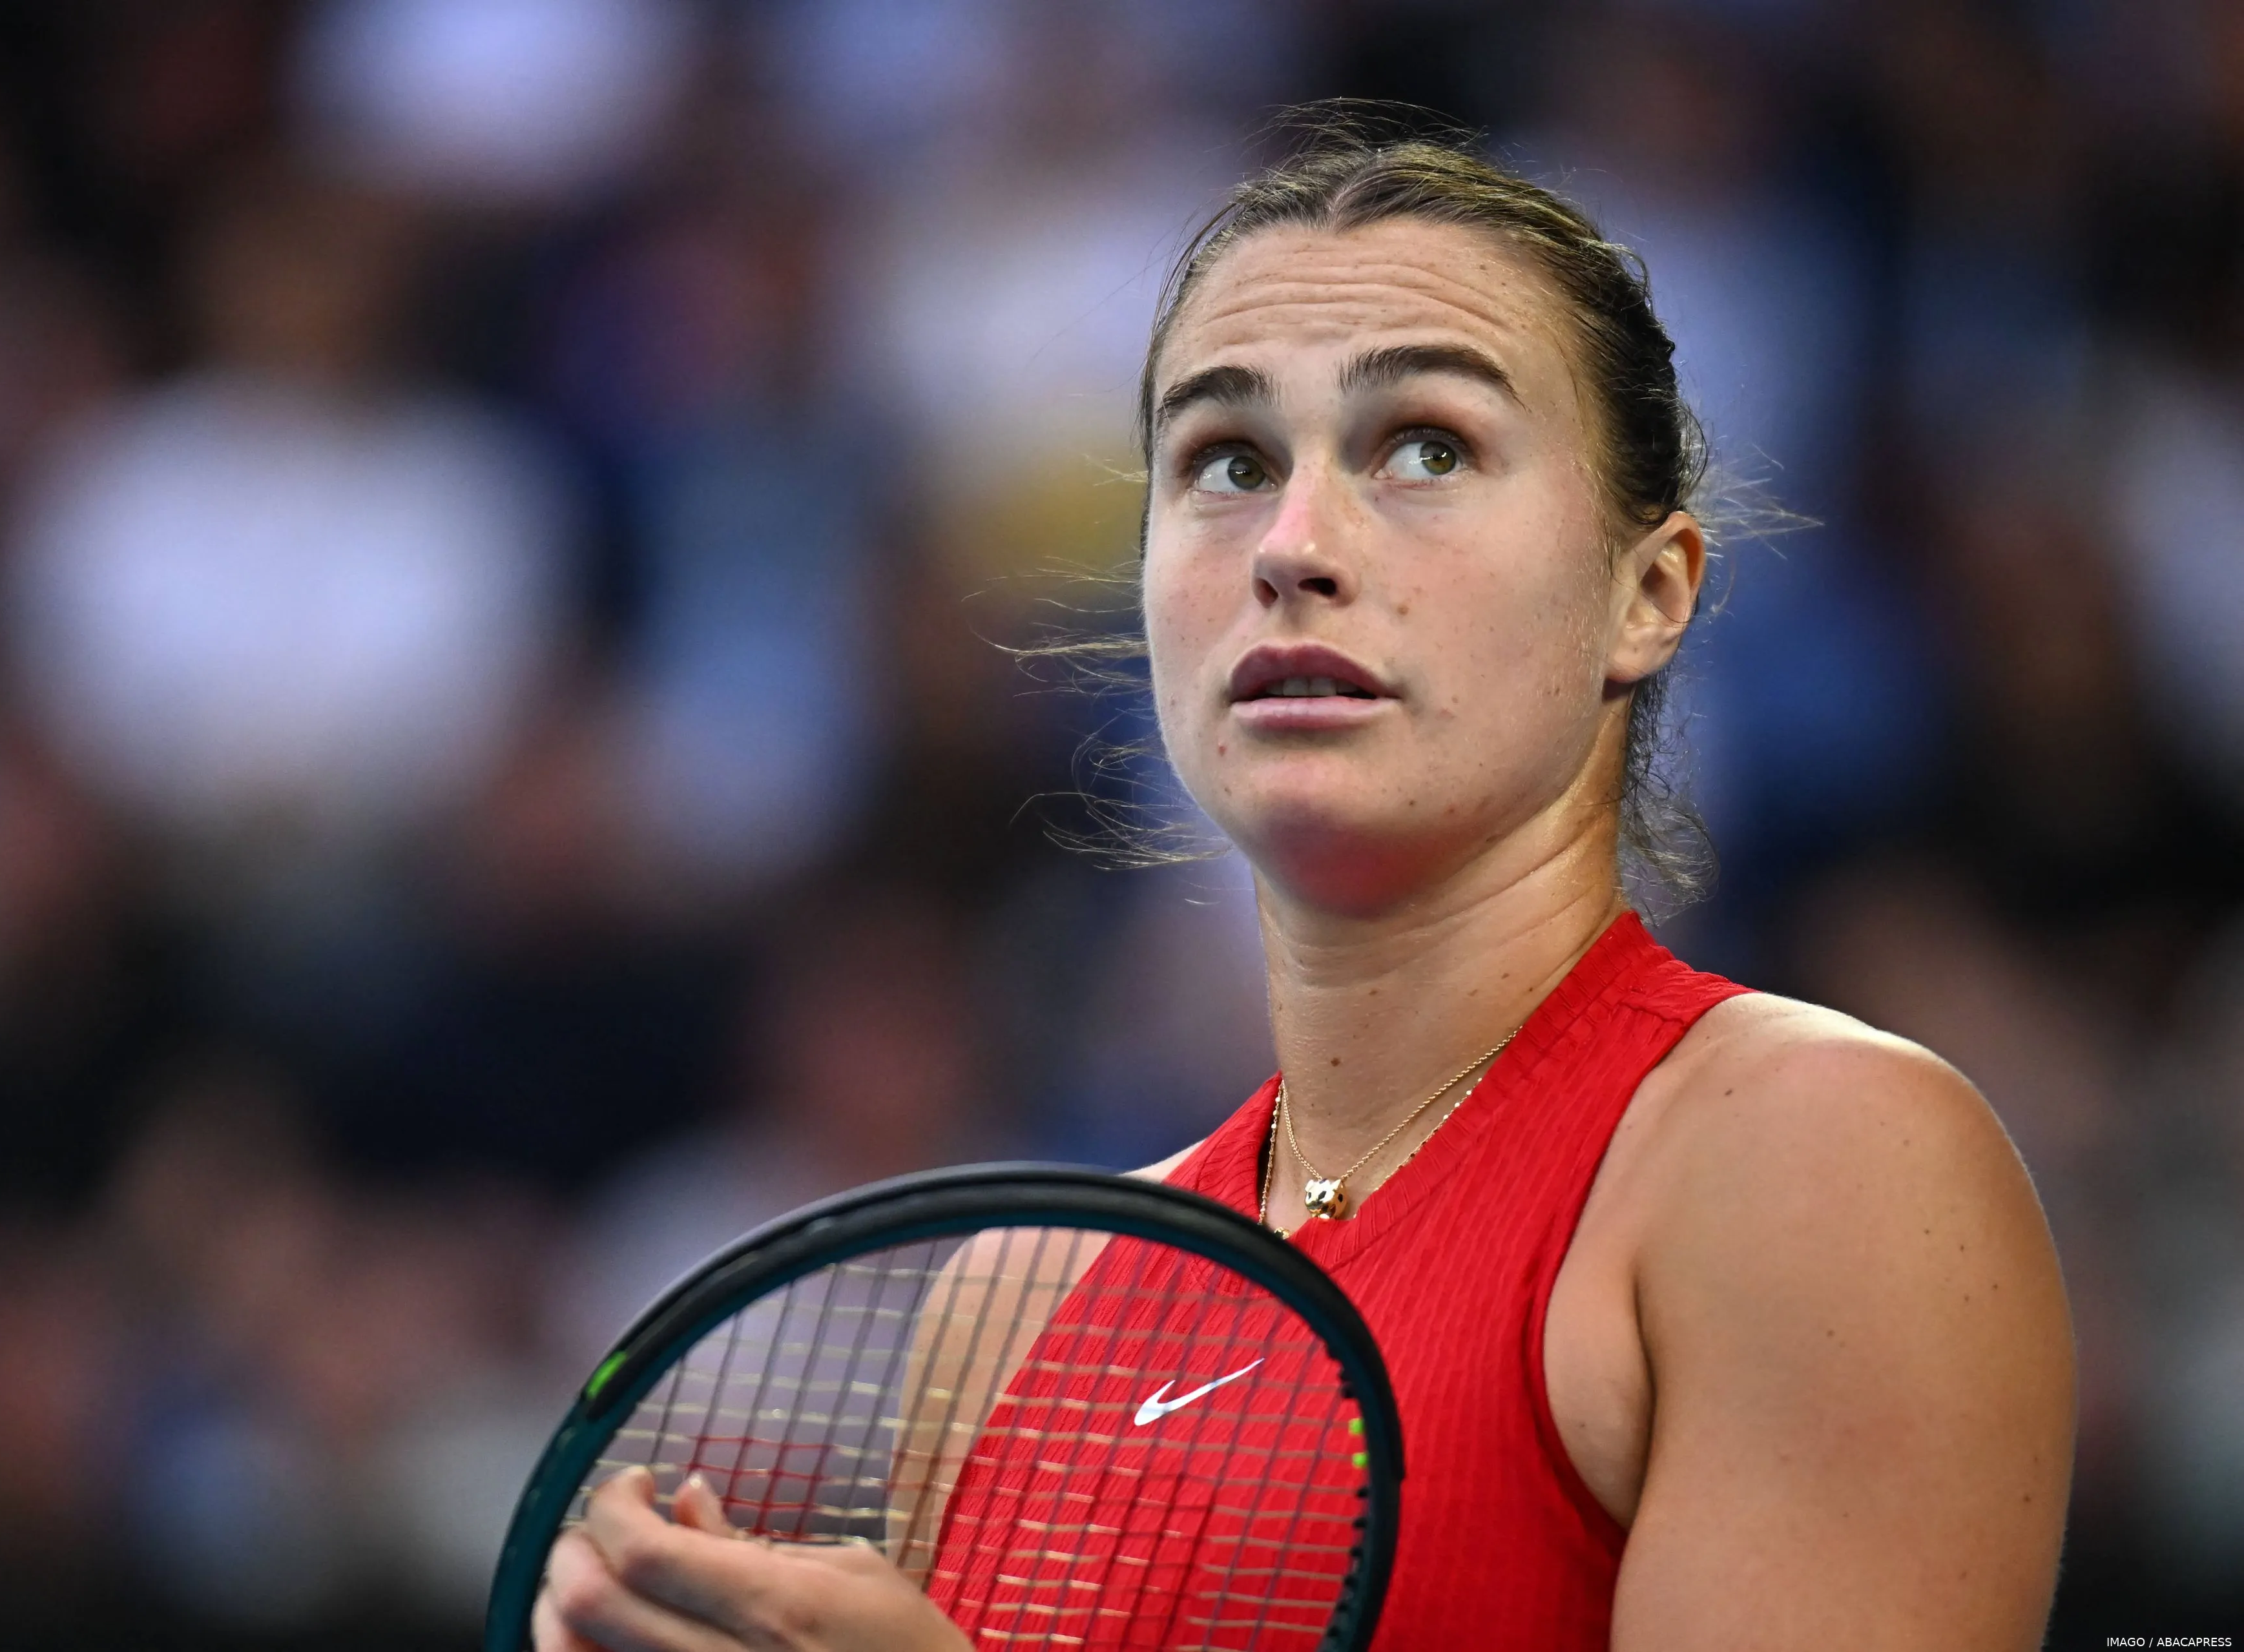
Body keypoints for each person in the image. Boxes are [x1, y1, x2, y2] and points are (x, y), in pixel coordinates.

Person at [533, 132, 2076, 1651]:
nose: (1293, 544)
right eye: (1227, 461)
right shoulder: (1014, 1298)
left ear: (1647, 591)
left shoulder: (1820, 1155)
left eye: (1428, 448)